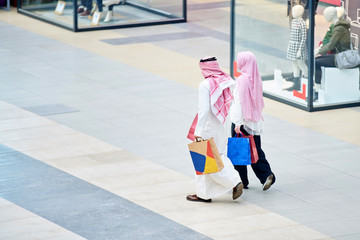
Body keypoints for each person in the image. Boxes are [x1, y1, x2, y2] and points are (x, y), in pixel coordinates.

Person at [186, 57, 243, 203]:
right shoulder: (227, 80)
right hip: (222, 125)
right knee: (220, 155)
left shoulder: (205, 84)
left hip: (208, 127)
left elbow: (204, 110)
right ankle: (207, 192)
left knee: (204, 158)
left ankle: (232, 183)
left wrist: (198, 131)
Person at [230, 51, 275, 191]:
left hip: (242, 122)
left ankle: (241, 181)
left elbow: (239, 103)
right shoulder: (255, 78)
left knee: (238, 152)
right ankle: (266, 175)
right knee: (256, 150)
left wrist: (237, 122)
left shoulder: (241, 80)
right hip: (254, 122)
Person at [314, 6, 351, 100]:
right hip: (339, 55)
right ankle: (318, 88)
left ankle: (317, 91)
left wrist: (319, 51)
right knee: (317, 60)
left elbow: (331, 45)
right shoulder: (338, 26)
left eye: (325, 14)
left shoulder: (339, 28)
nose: (324, 16)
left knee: (316, 62)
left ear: (331, 15)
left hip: (341, 58)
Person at [285, 4, 308, 91]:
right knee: (294, 63)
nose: (293, 13)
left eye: (295, 11)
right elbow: (291, 35)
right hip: (292, 45)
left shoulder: (302, 23)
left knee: (301, 64)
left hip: (299, 47)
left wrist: (300, 50)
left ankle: (307, 79)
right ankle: (296, 83)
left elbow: (304, 38)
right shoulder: (293, 21)